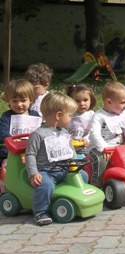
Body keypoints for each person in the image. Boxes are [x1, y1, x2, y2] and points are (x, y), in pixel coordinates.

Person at [25, 92, 87, 226]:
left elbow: (71, 151)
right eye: (70, 115)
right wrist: (33, 173)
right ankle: (40, 211)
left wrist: (74, 164)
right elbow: (30, 154)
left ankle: (73, 201)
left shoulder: (64, 132)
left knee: (83, 176)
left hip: (64, 169)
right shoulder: (37, 135)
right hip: (45, 171)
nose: (71, 118)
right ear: (58, 115)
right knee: (45, 185)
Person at [87, 81, 125, 186]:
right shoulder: (99, 116)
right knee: (101, 159)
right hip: (99, 147)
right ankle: (97, 182)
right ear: (109, 102)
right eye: (123, 103)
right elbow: (95, 134)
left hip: (118, 146)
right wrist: (103, 148)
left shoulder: (122, 114)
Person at [0, 80, 40, 163]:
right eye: (15, 101)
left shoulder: (34, 115)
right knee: (5, 165)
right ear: (9, 101)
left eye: (23, 100)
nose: (19, 104)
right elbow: (2, 131)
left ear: (31, 100)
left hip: (31, 151)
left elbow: (40, 131)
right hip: (10, 152)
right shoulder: (7, 116)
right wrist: (11, 139)